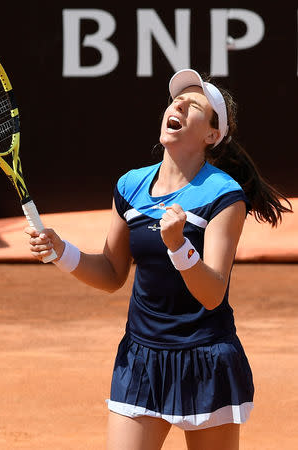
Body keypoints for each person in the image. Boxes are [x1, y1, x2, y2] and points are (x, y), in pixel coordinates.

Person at [25, 69, 292, 450]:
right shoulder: (130, 186)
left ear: (212, 135)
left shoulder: (224, 194)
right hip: (140, 360)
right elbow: (112, 272)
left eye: (194, 103)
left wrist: (179, 248)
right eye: (176, 99)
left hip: (205, 361)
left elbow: (213, 293)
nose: (179, 103)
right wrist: (61, 251)